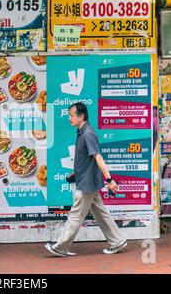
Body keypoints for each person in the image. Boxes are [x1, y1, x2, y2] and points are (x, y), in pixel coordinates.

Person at [45, 103, 127, 257]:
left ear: (81, 116)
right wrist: (75, 174)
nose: (69, 118)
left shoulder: (88, 133)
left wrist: (109, 179)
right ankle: (118, 241)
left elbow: (98, 157)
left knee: (75, 215)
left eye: (71, 115)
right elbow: (86, 160)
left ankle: (61, 247)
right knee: (101, 214)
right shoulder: (82, 132)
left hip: (87, 184)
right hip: (87, 180)